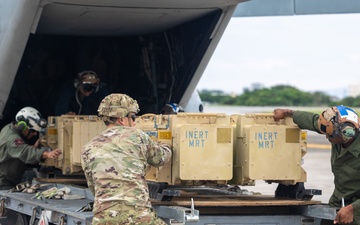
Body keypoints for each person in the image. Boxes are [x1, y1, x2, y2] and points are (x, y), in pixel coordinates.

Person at [81, 93, 172, 225]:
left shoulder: (88, 148)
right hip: (138, 217)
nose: (135, 122)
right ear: (121, 118)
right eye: (133, 117)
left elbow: (93, 187)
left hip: (104, 218)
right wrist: (166, 146)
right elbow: (160, 158)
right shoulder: (136, 136)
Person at [273, 105, 360, 225]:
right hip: (339, 203)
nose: (327, 137)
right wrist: (287, 113)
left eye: (330, 135)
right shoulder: (337, 131)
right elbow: (313, 121)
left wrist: (353, 209)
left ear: (346, 134)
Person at [0, 106, 62, 190]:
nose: (35, 134)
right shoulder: (12, 139)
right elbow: (24, 151)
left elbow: (18, 150)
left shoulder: (9, 128)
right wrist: (47, 154)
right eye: (33, 131)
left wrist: (35, 147)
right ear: (23, 126)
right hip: (3, 183)